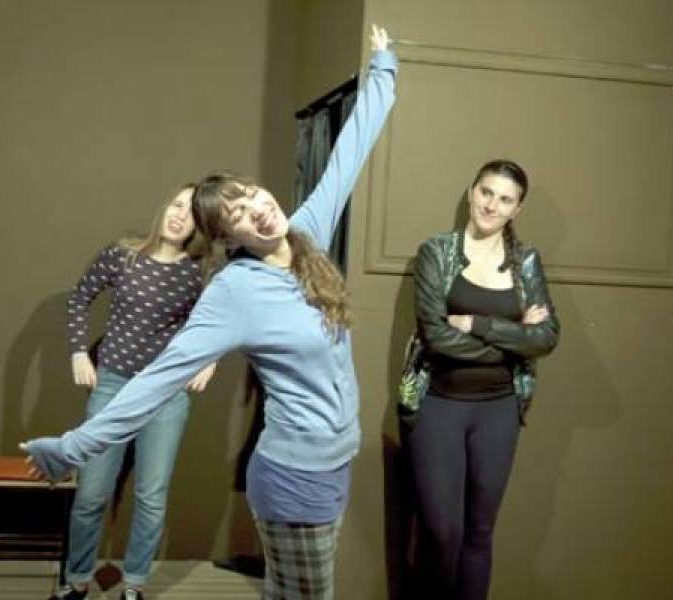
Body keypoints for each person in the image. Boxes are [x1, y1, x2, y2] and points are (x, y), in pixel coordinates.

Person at [23, 25, 396, 599]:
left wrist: (385, 68)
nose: (257, 211)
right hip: (294, 475)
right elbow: (158, 379)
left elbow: (348, 156)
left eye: (252, 196)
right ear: (228, 238)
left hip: (333, 464)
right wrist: (73, 447)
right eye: (238, 215)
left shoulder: (306, 234)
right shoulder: (234, 291)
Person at [52, 184, 216, 600]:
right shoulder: (122, 254)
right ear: (165, 207)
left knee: (151, 496)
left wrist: (210, 359)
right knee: (91, 494)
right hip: (112, 386)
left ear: (199, 227)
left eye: (192, 214)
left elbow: (218, 319)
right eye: (177, 205)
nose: (180, 216)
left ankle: (134, 584)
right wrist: (78, 352)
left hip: (165, 393)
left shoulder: (198, 272)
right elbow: (79, 297)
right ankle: (77, 580)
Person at [406, 159, 560, 599]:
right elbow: (436, 338)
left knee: (479, 531)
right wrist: (514, 338)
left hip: (500, 409)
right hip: (439, 403)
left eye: (505, 199)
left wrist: (478, 324)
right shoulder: (437, 252)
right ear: (471, 192)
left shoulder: (525, 262)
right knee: (442, 531)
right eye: (486, 192)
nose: (492, 205)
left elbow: (547, 337)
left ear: (517, 210)